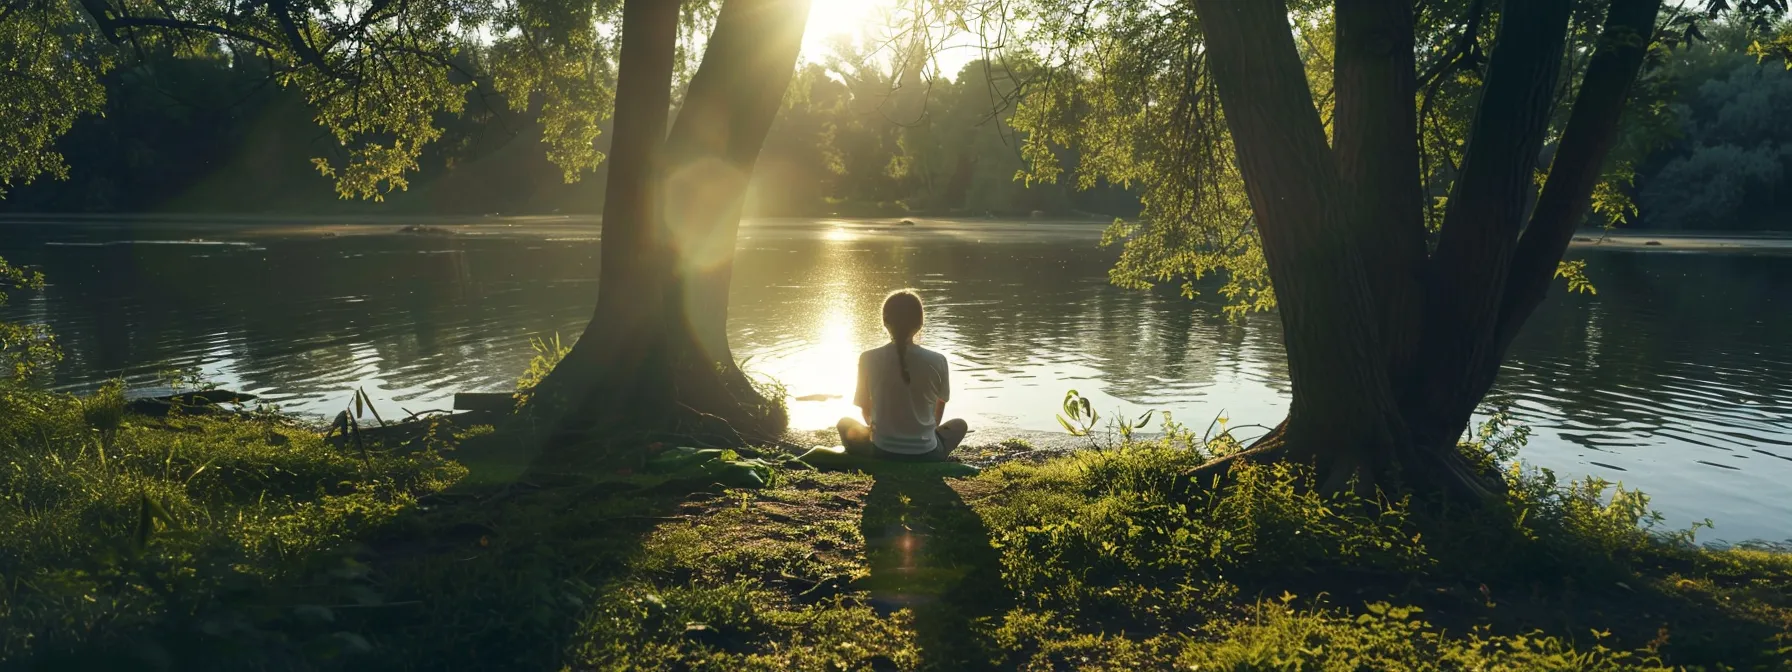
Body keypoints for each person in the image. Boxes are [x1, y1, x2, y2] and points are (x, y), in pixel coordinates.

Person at [837, 289, 969, 461]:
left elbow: (865, 408)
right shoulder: (938, 360)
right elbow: (939, 408)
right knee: (960, 425)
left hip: (881, 450)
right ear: (920, 323)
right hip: (927, 453)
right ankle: (935, 457)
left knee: (844, 423)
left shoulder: (867, 358)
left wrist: (878, 429)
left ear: (885, 321)